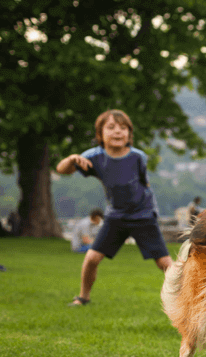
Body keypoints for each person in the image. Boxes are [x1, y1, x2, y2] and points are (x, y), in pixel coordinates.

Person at [55, 109, 173, 306]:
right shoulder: (93, 157)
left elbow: (145, 183)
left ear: (129, 134)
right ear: (100, 135)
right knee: (92, 258)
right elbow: (62, 170)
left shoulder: (138, 157)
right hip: (116, 216)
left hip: (143, 214)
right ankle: (83, 298)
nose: (118, 131)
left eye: (123, 127)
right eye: (111, 127)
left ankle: (193, 299)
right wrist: (72, 159)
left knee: (165, 263)